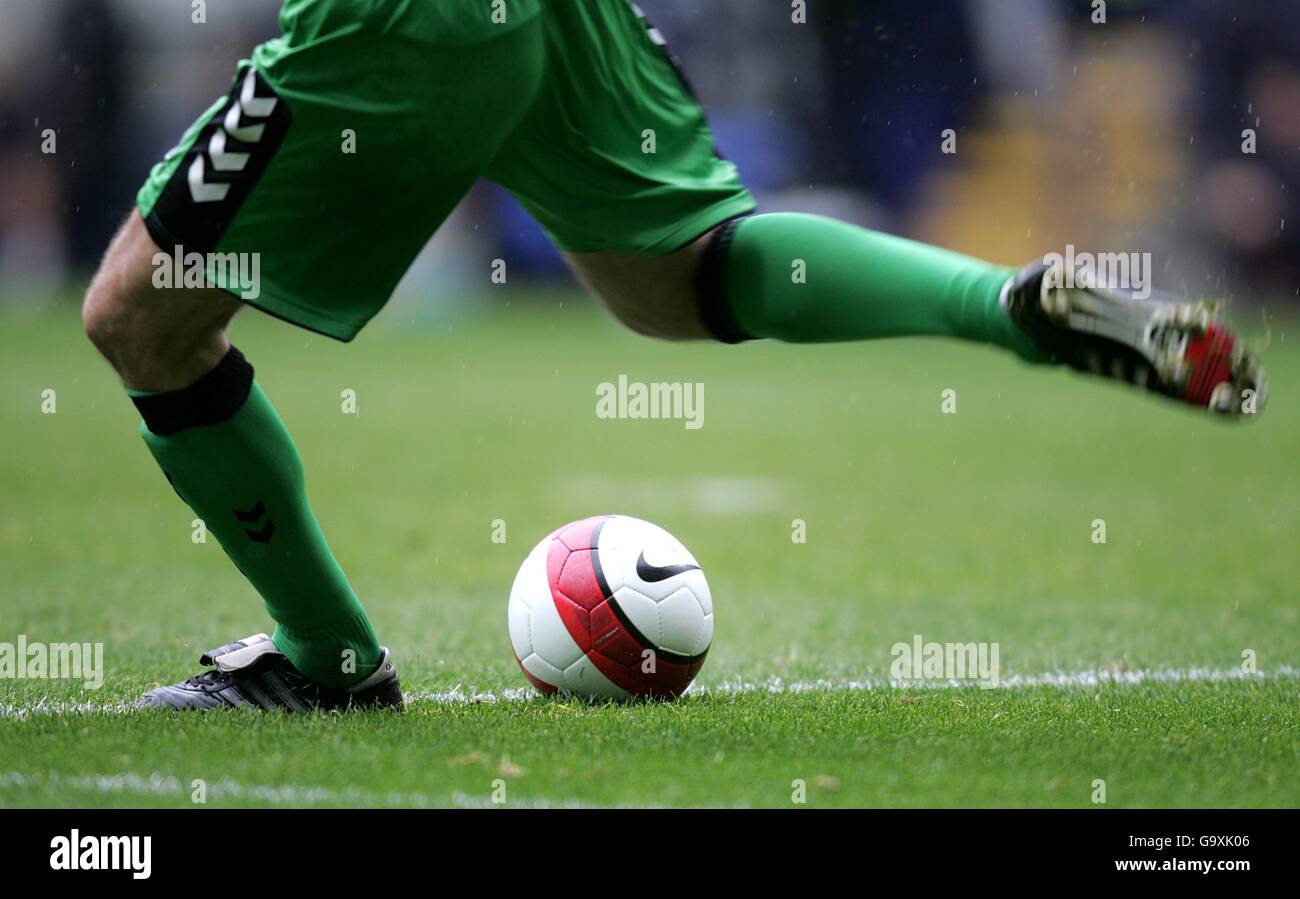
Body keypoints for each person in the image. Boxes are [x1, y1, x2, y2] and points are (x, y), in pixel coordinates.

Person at [81, 0, 1265, 711]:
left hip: (402, 23)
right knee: (680, 272)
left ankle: (328, 659)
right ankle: (1006, 302)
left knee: (140, 315)